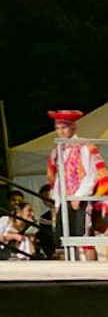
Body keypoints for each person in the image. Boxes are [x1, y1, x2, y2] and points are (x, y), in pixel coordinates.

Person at [46, 109, 108, 261]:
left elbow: (92, 174)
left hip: (80, 197)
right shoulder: (57, 151)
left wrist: (79, 196)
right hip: (64, 197)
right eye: (57, 128)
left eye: (64, 127)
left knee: (84, 237)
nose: (60, 131)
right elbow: (58, 177)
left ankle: (91, 272)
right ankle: (70, 269)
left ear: (73, 127)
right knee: (65, 237)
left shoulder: (84, 147)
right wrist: (57, 200)